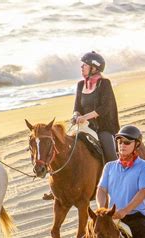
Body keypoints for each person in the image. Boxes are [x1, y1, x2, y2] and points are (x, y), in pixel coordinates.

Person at [43, 51, 120, 200]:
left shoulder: (104, 84)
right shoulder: (80, 85)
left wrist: (85, 116)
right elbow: (77, 106)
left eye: (84, 65)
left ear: (94, 68)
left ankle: (116, 181)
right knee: (62, 148)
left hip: (103, 127)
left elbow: (105, 108)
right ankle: (56, 188)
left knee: (110, 153)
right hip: (85, 127)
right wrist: (76, 115)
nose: (81, 67)